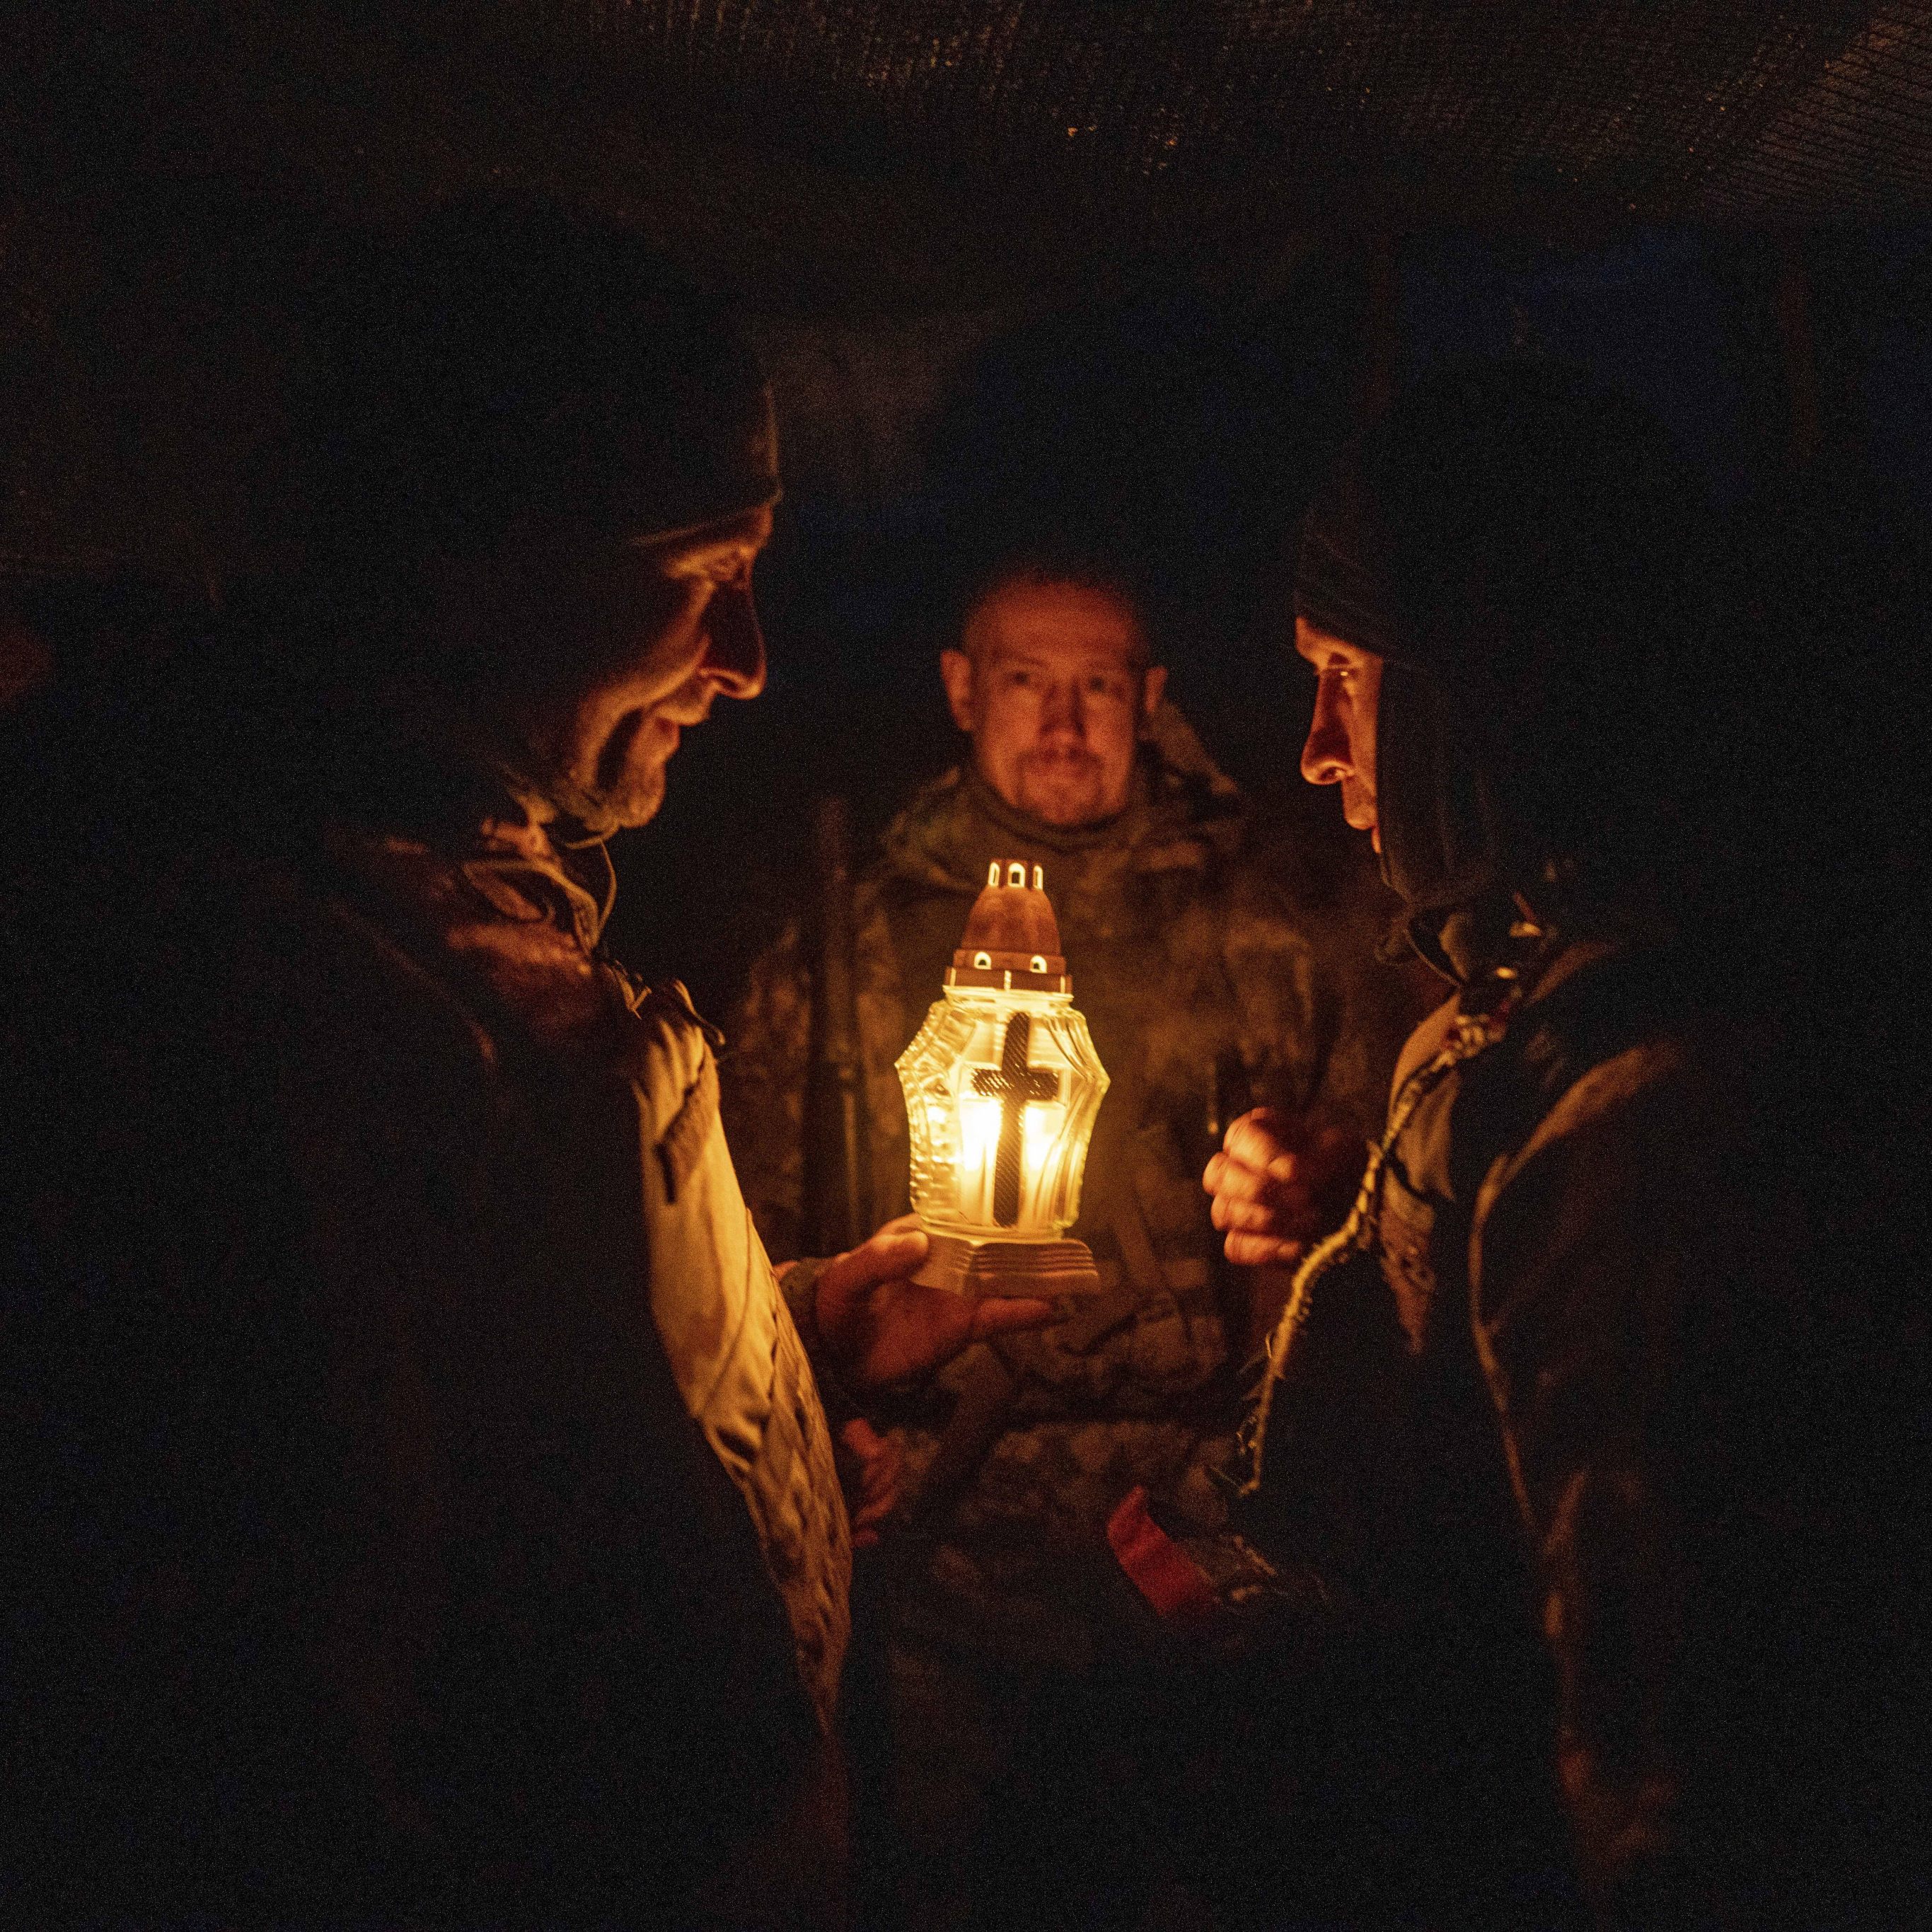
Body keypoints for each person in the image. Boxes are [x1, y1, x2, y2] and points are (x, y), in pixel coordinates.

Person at [1, 204, 1052, 1927]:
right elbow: (248, 1722)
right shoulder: (267, 1003)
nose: (751, 663)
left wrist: (781, 1341)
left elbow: (522, 1406)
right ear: (493, 555)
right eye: (707, 577)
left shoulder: (459, 928)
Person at [1197, 362, 1836, 1926]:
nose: (1311, 750)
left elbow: (1674, 1770)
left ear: (1479, 688)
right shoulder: (1515, 1018)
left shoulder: (1650, 1104)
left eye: (1343, 678)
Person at [722, 555, 1428, 1924]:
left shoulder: (1280, 926)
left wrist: (1317, 1201)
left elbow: (1401, 1216)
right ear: (960, 691)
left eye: (1098, 686)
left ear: (1150, 699)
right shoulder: (841, 943)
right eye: (1027, 682)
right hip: (944, 1555)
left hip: (1202, 1546)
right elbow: (746, 1257)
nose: (1063, 722)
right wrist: (833, 1411)